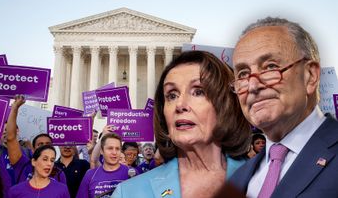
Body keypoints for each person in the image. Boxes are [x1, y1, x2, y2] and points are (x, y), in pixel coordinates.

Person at [112, 50, 251, 198]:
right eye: (172, 95)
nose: (180, 104)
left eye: (198, 92)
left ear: (226, 104)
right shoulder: (128, 193)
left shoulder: (263, 179)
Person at [229, 17, 338, 197]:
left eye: (270, 67)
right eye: (243, 74)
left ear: (310, 75)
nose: (253, 86)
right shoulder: (237, 179)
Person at [6, 95, 66, 184]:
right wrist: (15, 108)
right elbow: (11, 138)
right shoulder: (22, 165)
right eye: (40, 144)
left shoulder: (59, 173)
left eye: (47, 144)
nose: (44, 147)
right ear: (33, 149)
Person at [76, 133, 134, 198]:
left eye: (117, 149)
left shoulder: (131, 173)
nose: (114, 152)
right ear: (101, 151)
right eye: (110, 148)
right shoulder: (90, 175)